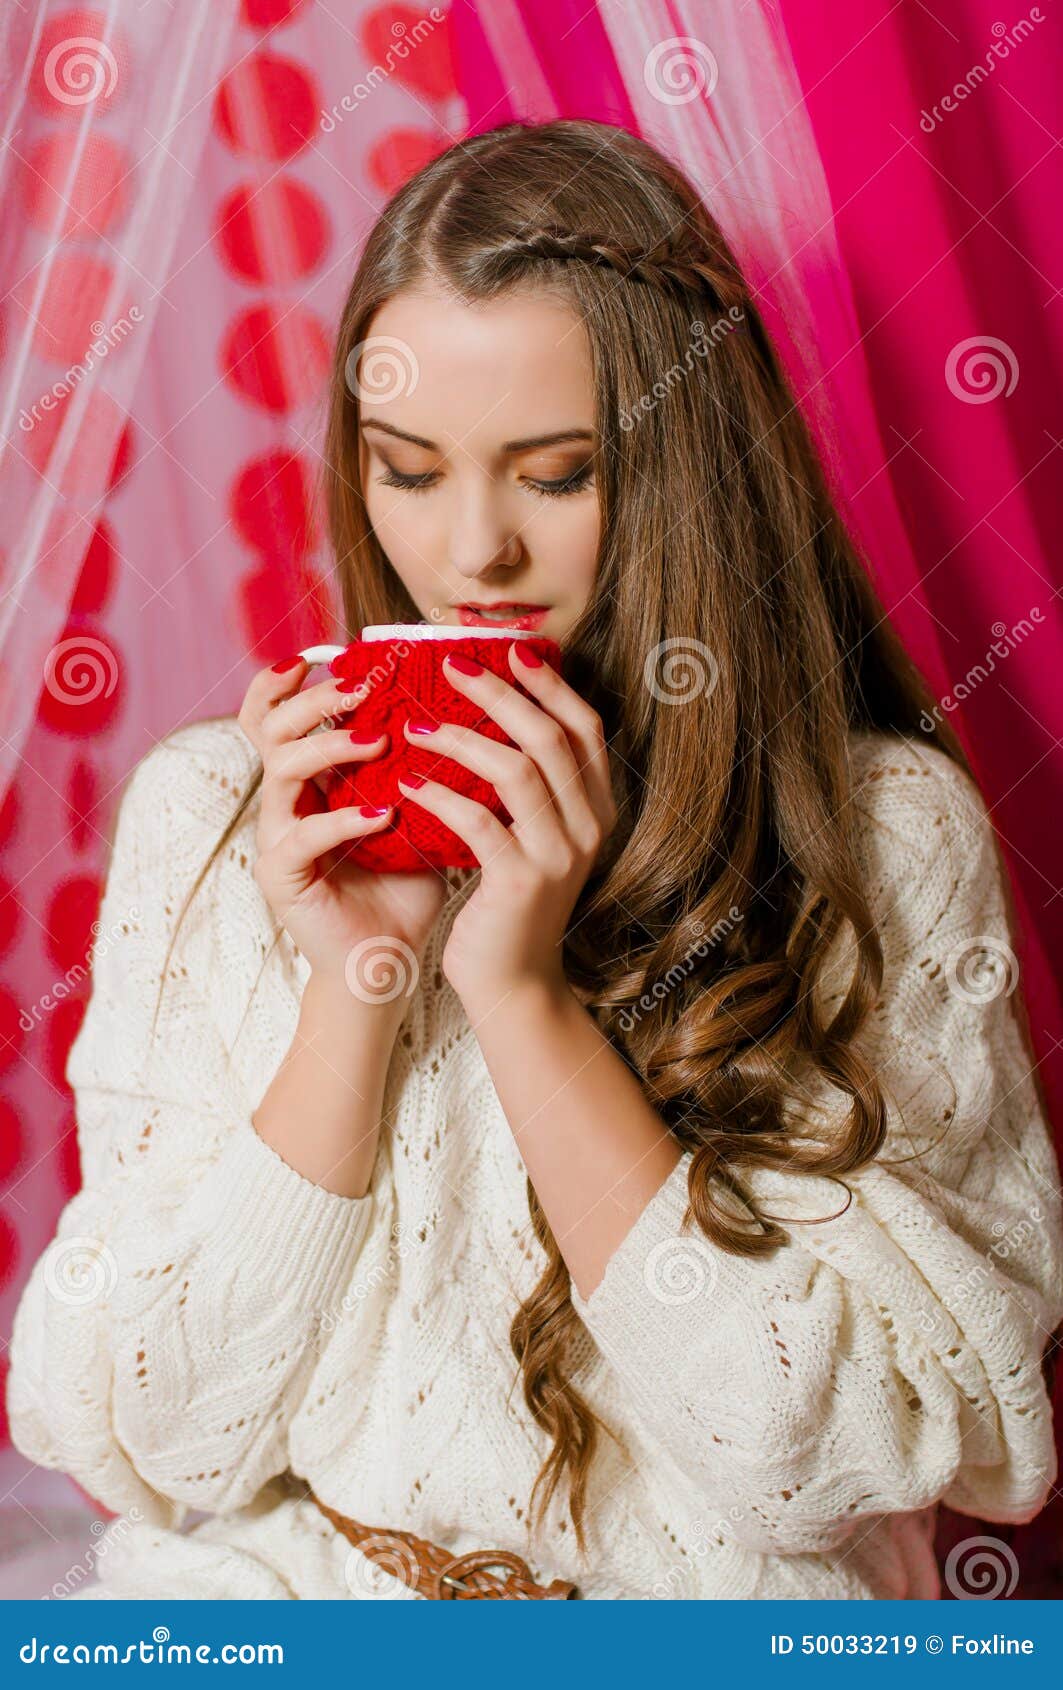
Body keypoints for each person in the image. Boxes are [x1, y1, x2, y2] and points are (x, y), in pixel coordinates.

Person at [8, 118, 1063, 1602]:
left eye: (556, 475)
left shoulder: (876, 834)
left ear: (681, 465)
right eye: (409, 469)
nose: (472, 552)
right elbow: (164, 1436)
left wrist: (519, 991)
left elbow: (829, 1461)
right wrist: (358, 982)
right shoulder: (220, 815)